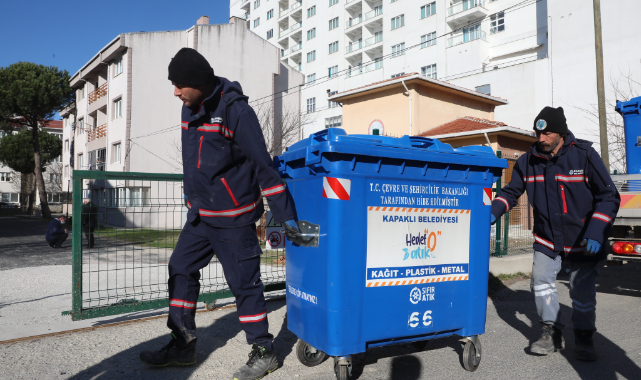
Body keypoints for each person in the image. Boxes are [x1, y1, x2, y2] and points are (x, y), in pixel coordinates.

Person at [139, 48, 301, 380]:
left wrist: (289, 220)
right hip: (201, 215)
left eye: (180, 84)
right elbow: (195, 159)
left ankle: (264, 351)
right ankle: (183, 343)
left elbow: (263, 166)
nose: (175, 92)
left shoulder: (235, 112)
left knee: (244, 284)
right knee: (180, 268)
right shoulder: (189, 108)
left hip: (233, 217)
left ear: (199, 82)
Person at [491, 106, 620, 361]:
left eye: (547, 134)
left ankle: (584, 336)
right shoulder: (528, 161)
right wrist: (493, 212)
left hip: (583, 237)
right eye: (538, 134)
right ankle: (551, 332)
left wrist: (596, 231)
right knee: (540, 282)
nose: (541, 139)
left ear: (560, 133)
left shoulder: (584, 155)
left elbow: (608, 196)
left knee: (581, 292)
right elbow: (510, 192)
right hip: (547, 237)